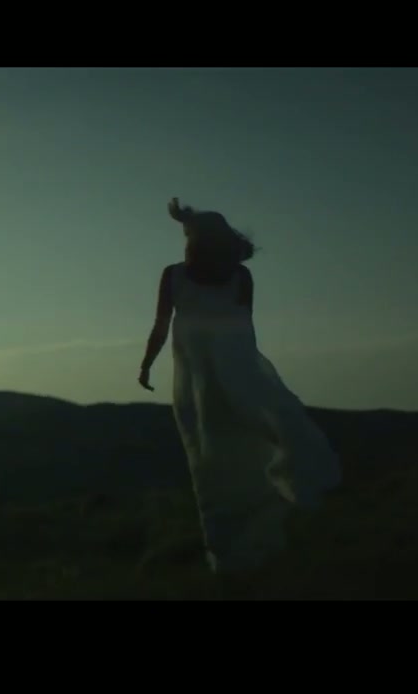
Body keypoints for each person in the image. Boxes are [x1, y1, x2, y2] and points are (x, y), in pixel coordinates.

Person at [138, 198, 341, 575]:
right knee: (237, 450)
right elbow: (244, 328)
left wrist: (147, 364)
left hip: (201, 379)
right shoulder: (233, 276)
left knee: (212, 459)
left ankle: (232, 557)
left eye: (188, 234)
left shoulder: (181, 275)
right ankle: (247, 549)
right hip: (227, 372)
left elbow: (163, 326)